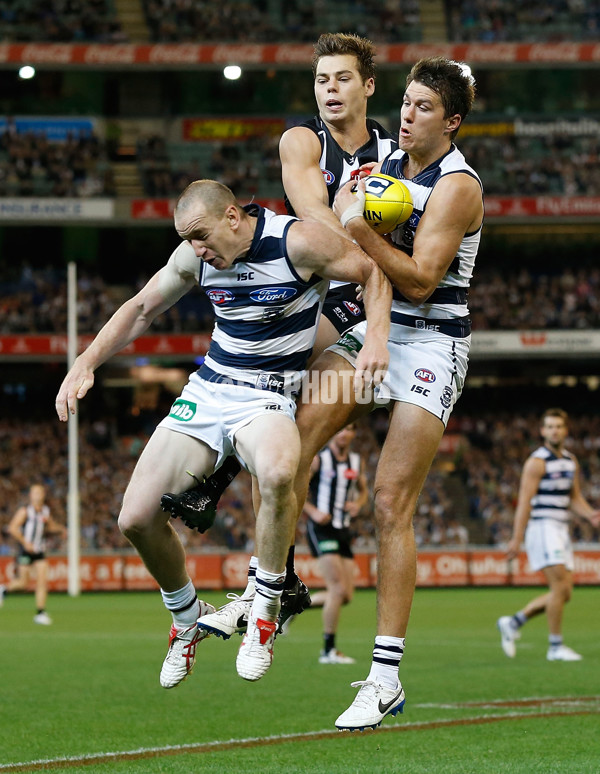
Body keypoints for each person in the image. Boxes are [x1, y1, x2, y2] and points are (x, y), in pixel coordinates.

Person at [55, 179, 390, 688]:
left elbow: (371, 270)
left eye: (201, 235)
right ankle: (187, 621)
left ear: (233, 217)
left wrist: (375, 342)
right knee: (135, 517)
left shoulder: (296, 242)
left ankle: (264, 612)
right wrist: (86, 361)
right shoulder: (196, 257)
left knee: (279, 470)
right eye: (187, 238)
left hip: (268, 393)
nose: (196, 249)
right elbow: (143, 307)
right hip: (210, 390)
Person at [283, 55, 482, 730]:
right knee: (292, 438)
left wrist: (366, 231)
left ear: (451, 122)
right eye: (406, 102)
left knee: (391, 501)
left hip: (433, 342)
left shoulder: (459, 186)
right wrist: (345, 214)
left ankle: (384, 677)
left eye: (424, 107)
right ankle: (274, 583)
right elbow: (342, 224)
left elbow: (424, 279)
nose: (407, 113)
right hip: (378, 325)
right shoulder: (386, 161)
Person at [160, 32, 397, 535]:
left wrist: (374, 260)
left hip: (366, 293)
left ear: (369, 86)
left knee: (290, 418)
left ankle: (224, 503)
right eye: (321, 79)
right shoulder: (302, 140)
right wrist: (359, 244)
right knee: (272, 396)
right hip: (317, 289)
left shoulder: (392, 152)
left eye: (343, 78)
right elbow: (312, 211)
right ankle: (236, 515)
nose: (330, 89)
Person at [497, 408, 600, 662]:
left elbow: (573, 498)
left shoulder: (570, 461)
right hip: (542, 527)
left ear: (566, 430)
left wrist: (591, 515)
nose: (554, 430)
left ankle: (513, 622)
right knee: (559, 587)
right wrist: (516, 538)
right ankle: (555, 647)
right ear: (543, 431)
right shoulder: (537, 461)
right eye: (550, 426)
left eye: (559, 426)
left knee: (564, 593)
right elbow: (524, 502)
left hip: (560, 529)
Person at [302, 422, 367, 664]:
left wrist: (358, 504)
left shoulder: (356, 462)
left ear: (353, 433)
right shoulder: (320, 460)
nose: (344, 433)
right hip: (321, 528)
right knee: (337, 589)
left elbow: (363, 491)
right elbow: (298, 488)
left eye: (350, 429)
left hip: (343, 529)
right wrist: (312, 511)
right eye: (340, 428)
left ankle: (290, 608)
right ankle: (328, 650)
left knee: (346, 595)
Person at [0, 484, 67, 625]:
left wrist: (61, 529)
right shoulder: (25, 511)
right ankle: (4, 590)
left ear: (43, 495)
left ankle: (40, 613)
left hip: (39, 551)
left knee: (42, 581)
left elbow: (50, 526)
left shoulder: (45, 511)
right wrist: (25, 542)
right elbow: (12, 528)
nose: (38, 495)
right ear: (30, 495)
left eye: (40, 492)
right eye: (35, 492)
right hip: (25, 551)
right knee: (23, 584)